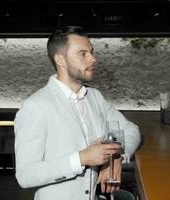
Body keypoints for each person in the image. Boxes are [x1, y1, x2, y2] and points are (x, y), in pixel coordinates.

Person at [14, 25, 141, 200]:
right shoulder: (35, 106)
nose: (93, 59)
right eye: (83, 54)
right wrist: (82, 158)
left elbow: (131, 129)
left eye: (91, 52)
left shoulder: (95, 97)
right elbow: (25, 175)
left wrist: (117, 157)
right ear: (60, 60)